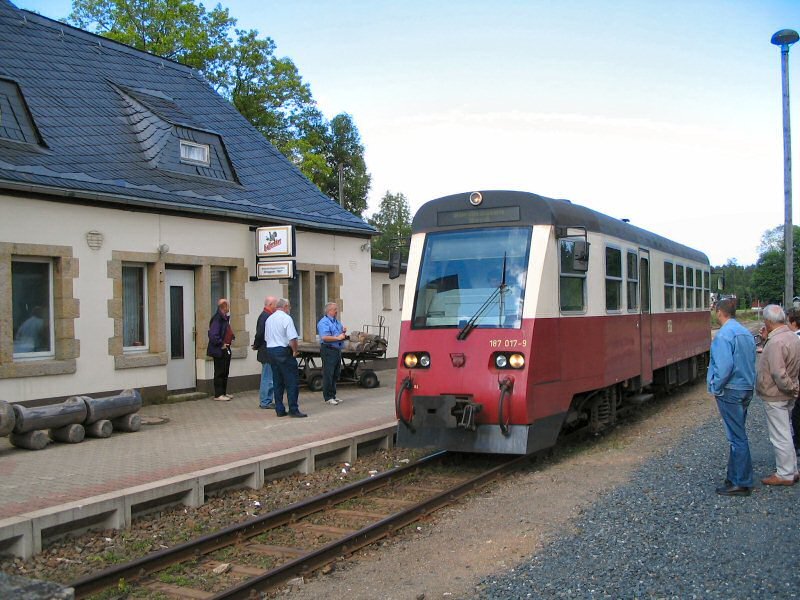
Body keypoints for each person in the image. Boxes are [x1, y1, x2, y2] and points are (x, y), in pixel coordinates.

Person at [707, 297, 757, 496]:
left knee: (737, 437)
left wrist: (715, 386)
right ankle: (734, 476)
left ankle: (741, 482)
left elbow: (725, 366)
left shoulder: (723, 335)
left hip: (730, 390)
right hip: (746, 388)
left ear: (719, 312)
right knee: (738, 433)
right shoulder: (744, 332)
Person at [755, 304, 800, 485]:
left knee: (779, 435)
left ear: (768, 321)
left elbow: (778, 373)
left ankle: (785, 474)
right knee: (787, 432)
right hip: (787, 395)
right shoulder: (792, 336)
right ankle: (792, 469)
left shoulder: (776, 342)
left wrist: (791, 387)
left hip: (776, 394)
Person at [266, 298, 306, 418]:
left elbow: (266, 337)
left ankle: (279, 409)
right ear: (286, 306)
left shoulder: (269, 319)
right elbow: (292, 338)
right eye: (289, 307)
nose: (290, 309)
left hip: (271, 351)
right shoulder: (286, 318)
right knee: (291, 381)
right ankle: (293, 409)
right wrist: (294, 351)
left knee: (277, 381)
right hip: (283, 351)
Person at [317, 302, 347, 406]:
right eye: (335, 309)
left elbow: (339, 334)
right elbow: (324, 337)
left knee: (335, 373)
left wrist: (343, 332)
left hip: (337, 350)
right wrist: (338, 338)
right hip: (328, 349)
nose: (336, 311)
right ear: (329, 311)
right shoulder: (324, 322)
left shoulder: (336, 322)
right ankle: (328, 397)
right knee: (328, 373)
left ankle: (333, 395)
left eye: (336, 309)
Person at [252, 296, 278, 409]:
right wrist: (256, 345)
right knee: (267, 377)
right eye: (275, 305)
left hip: (267, 350)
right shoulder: (265, 317)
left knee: (269, 376)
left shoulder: (267, 316)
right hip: (266, 351)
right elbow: (260, 334)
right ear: (270, 305)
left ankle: (267, 400)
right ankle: (265, 401)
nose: (276, 307)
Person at [207, 298, 234, 401]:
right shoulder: (217, 318)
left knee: (225, 371)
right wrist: (221, 343)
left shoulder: (224, 318)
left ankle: (223, 392)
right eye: (228, 305)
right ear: (224, 306)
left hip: (226, 347)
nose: (229, 307)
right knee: (219, 371)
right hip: (219, 349)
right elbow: (213, 335)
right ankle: (218, 394)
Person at [786, 310, 800, 456]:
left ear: (794, 323)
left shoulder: (795, 339)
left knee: (796, 415)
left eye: (787, 322)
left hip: (796, 383)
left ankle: (796, 444)